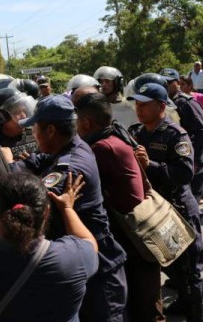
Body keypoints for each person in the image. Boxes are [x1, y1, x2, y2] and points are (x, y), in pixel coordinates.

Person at [14, 95, 127, 322]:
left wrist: (6, 178)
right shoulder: (67, 147)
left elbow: (33, 200)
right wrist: (11, 164)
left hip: (98, 269)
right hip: (82, 260)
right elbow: (36, 161)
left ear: (51, 131)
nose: (33, 135)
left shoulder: (70, 167)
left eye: (35, 128)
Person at [0, 172, 98, 322]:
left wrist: (4, 215)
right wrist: (67, 208)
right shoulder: (73, 259)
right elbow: (88, 241)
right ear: (46, 212)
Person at [76, 93, 164, 321]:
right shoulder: (117, 135)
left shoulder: (101, 148)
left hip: (133, 238)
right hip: (140, 234)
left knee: (144, 306)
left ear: (86, 122)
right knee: (148, 301)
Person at [128, 83, 203, 321]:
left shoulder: (176, 134)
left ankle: (196, 315)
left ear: (161, 106)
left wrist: (149, 165)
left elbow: (184, 174)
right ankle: (183, 303)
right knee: (170, 266)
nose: (139, 109)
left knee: (189, 270)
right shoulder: (137, 133)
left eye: (145, 104)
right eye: (137, 104)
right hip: (155, 210)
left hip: (179, 209)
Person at [160, 68, 203, 205]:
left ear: (177, 83)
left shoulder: (187, 102)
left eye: (169, 82)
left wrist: (192, 158)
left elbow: (202, 132)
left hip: (191, 161)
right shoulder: (164, 102)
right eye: (163, 82)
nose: (166, 85)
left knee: (191, 206)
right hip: (176, 162)